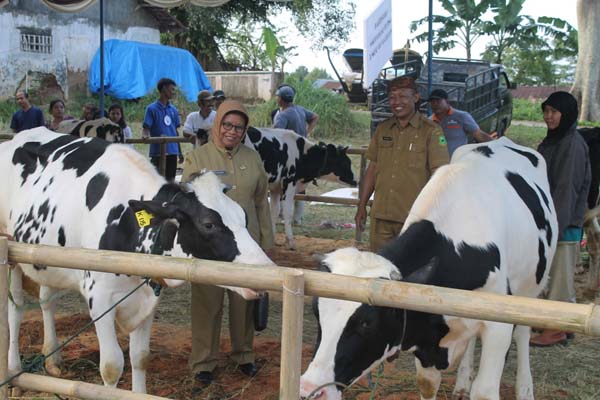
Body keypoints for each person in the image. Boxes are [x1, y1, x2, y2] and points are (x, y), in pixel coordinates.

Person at [181, 100, 274, 388]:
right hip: (210, 247)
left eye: (239, 127)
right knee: (207, 304)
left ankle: (244, 356)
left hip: (246, 246)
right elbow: (188, 203)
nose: (233, 131)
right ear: (217, 124)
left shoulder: (252, 158)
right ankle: (203, 363)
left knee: (244, 302)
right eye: (227, 125)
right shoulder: (198, 158)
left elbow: (261, 202)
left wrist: (267, 242)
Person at [355, 76, 450, 252]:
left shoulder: (431, 131)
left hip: (414, 219)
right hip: (381, 217)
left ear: (415, 97)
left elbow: (440, 175)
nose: (396, 102)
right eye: (392, 97)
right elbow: (373, 169)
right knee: (380, 268)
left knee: (410, 272)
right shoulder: (383, 129)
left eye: (403, 96)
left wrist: (434, 214)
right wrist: (362, 205)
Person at [530, 91, 591, 347]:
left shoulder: (572, 144)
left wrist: (553, 228)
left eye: (554, 112)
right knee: (554, 275)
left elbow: (566, 190)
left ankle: (556, 330)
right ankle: (558, 323)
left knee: (561, 279)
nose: (548, 117)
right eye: (546, 111)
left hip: (562, 225)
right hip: (552, 220)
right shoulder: (555, 139)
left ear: (566, 114)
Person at [273, 84, 319, 224]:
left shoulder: (283, 115)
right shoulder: (300, 109)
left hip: (288, 154)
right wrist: (308, 131)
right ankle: (298, 217)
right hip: (302, 152)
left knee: (283, 183)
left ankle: (282, 214)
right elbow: (315, 117)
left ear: (281, 99)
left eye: (278, 96)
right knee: (300, 183)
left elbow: (276, 135)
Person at [428, 88, 494, 157]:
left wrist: (497, 145)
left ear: (447, 101)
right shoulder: (429, 121)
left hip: (458, 162)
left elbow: (479, 135)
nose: (435, 104)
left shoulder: (461, 116)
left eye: (438, 101)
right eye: (432, 102)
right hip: (436, 164)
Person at [142, 78, 184, 181]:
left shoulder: (173, 110)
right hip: (158, 152)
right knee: (156, 182)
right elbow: (146, 128)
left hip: (172, 152)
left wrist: (180, 152)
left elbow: (175, 132)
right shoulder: (151, 109)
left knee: (170, 182)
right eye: (172, 89)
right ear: (164, 89)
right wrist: (145, 135)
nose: (173, 92)